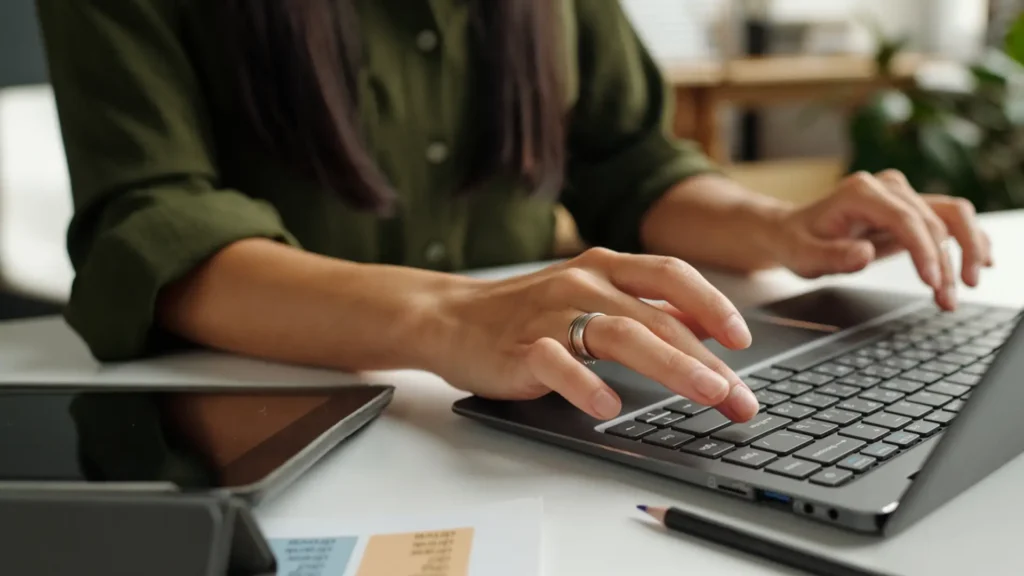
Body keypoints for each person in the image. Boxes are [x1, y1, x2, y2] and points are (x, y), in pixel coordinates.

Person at [37, 0, 992, 426]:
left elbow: (632, 160)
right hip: (266, 419)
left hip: (545, 416)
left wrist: (773, 226)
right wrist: (444, 315)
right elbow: (152, 225)